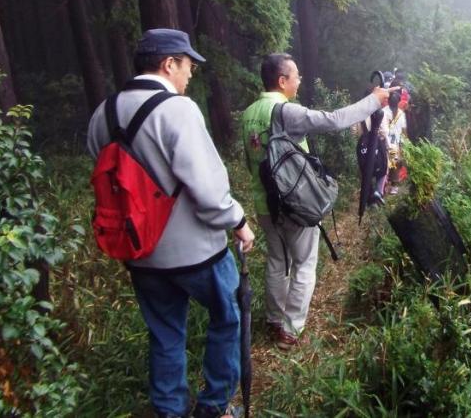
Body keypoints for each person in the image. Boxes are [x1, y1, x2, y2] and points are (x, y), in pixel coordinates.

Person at [87, 28, 255, 418]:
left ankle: (169, 410)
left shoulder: (103, 113)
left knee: (164, 333)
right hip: (197, 253)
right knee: (227, 318)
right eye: (187, 65)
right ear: (168, 64)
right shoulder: (177, 109)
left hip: (139, 252)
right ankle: (214, 407)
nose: (190, 74)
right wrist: (239, 221)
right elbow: (210, 191)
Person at [240, 53, 394, 349]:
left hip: (264, 204)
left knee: (276, 260)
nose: (299, 80)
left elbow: (250, 160)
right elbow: (333, 121)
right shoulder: (286, 111)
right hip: (293, 204)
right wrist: (374, 101)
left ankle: (274, 320)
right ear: (282, 81)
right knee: (304, 264)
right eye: (295, 75)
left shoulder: (248, 114)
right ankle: (291, 329)